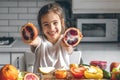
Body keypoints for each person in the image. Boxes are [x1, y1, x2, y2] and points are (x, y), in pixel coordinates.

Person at [22, 3, 82, 73]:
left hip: (62, 77)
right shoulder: (40, 41)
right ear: (41, 26)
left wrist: (67, 45)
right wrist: (30, 38)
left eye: (55, 23)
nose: (51, 28)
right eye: (46, 24)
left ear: (62, 22)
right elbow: (35, 41)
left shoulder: (65, 40)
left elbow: (70, 50)